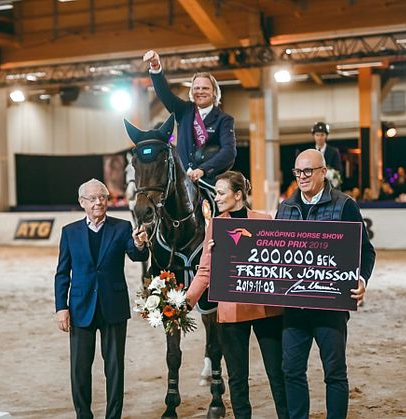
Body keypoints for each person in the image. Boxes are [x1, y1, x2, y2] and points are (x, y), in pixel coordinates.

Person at [275, 149, 376, 419]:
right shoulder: (285, 207)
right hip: (294, 307)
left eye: (308, 171)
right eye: (298, 172)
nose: (303, 177)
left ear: (323, 172)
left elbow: (366, 251)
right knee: (291, 370)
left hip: (331, 306)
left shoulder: (345, 205)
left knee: (334, 372)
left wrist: (361, 278)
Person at [186, 171, 289, 419]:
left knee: (278, 374)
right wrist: (185, 302)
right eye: (216, 193)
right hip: (231, 311)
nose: (217, 198)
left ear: (239, 194)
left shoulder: (265, 220)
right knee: (237, 379)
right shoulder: (216, 226)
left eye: (221, 193)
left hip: (267, 309)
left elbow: (282, 263)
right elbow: (204, 271)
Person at [54, 179, 149, 419]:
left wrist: (138, 244)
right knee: (80, 369)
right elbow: (62, 273)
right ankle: (83, 415)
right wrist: (61, 308)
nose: (99, 202)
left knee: (115, 368)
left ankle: (113, 416)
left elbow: (138, 255)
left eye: (103, 197)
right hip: (80, 307)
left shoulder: (122, 227)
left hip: (113, 307)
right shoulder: (70, 232)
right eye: (93, 198)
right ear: (82, 202)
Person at [142, 50, 236, 185]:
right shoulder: (183, 111)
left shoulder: (224, 120)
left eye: (205, 88)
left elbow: (228, 152)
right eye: (196, 88)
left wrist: (202, 170)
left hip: (208, 180)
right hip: (181, 178)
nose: (200, 91)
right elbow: (164, 94)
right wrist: (155, 66)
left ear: (214, 92)